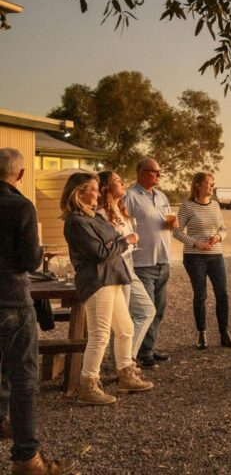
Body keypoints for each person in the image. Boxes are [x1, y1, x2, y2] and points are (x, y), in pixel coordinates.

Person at [0, 148, 74, 474]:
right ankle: (27, 458)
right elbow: (29, 260)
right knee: (24, 377)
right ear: (20, 174)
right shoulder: (20, 206)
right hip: (11, 299)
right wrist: (41, 249)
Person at [61, 172, 153, 406]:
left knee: (125, 328)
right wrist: (125, 241)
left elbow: (109, 243)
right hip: (97, 281)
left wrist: (116, 243)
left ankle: (126, 374)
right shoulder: (76, 222)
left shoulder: (94, 217)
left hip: (112, 277)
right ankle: (88, 385)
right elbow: (100, 252)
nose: (97, 193)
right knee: (100, 334)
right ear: (79, 193)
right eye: (92, 189)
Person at [173, 172, 231, 350]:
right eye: (209, 183)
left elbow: (223, 229)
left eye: (212, 183)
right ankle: (202, 334)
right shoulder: (186, 206)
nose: (212, 186)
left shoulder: (215, 205)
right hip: (194, 257)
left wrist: (218, 237)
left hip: (216, 256)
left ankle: (224, 333)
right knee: (200, 295)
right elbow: (177, 232)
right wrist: (196, 243)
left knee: (222, 293)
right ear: (198, 185)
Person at [97, 171, 156, 360]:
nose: (122, 183)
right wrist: (127, 240)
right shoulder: (101, 215)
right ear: (106, 187)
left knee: (147, 310)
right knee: (121, 320)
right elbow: (108, 245)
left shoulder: (120, 208)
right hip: (117, 264)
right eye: (117, 181)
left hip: (129, 262)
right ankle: (123, 362)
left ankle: (126, 358)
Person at [124, 157, 176, 368]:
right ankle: (141, 354)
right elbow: (123, 224)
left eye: (159, 172)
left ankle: (149, 348)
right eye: (154, 172)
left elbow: (166, 219)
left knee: (159, 308)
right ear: (141, 173)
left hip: (163, 259)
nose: (158, 175)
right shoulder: (130, 196)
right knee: (145, 310)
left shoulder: (161, 196)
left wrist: (173, 224)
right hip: (143, 262)